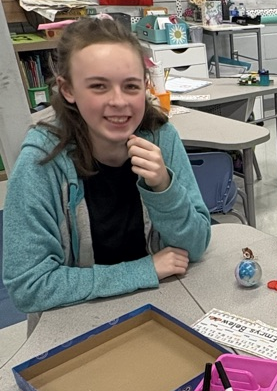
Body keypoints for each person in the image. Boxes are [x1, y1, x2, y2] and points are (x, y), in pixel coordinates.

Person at [3, 16, 211, 316]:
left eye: (130, 86)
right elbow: (28, 286)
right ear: (68, 89)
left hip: (161, 306)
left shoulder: (161, 138)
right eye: (99, 86)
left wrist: (164, 187)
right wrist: (143, 270)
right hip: (79, 318)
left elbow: (195, 246)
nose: (119, 102)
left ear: (146, 86)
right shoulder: (41, 160)